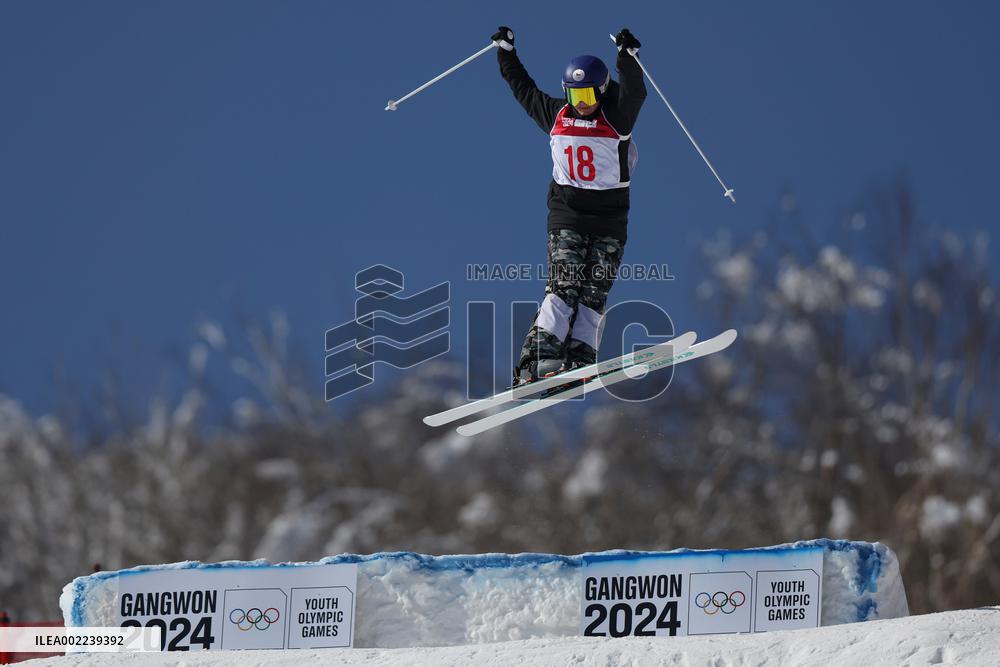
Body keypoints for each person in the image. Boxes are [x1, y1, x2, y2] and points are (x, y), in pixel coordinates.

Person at [492, 26, 646, 384]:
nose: (583, 103)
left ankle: (579, 358)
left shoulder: (616, 116)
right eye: (575, 95)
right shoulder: (557, 115)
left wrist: (626, 57)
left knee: (594, 292)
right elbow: (523, 89)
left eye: (590, 94)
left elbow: (636, 92)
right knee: (564, 287)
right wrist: (506, 54)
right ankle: (539, 357)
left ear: (603, 90)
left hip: (610, 221)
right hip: (569, 218)